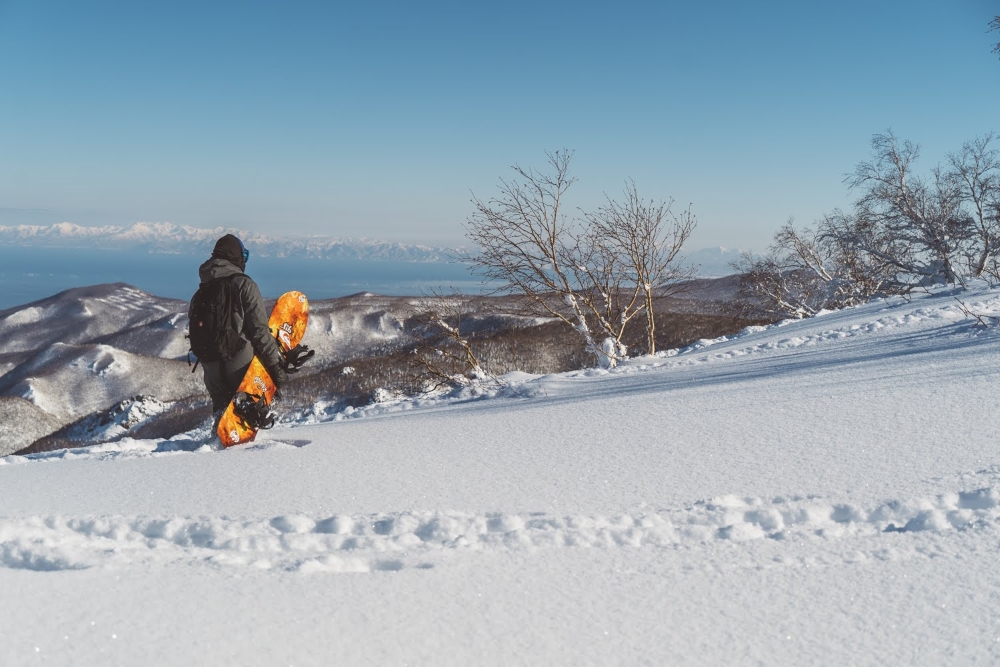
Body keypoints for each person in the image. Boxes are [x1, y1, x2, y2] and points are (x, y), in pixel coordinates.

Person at [192, 234, 288, 424]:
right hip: (239, 362)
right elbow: (259, 331)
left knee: (225, 423)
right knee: (248, 419)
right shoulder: (244, 284)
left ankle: (213, 450)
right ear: (237, 257)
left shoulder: (201, 291)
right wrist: (275, 366)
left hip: (210, 366)